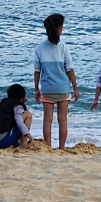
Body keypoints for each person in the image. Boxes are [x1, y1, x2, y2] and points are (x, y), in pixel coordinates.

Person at [34, 13, 79, 149]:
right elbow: (70, 70)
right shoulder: (64, 48)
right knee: (62, 120)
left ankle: (48, 146)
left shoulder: (39, 49)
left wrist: (36, 89)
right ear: (59, 29)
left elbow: (37, 71)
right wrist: (75, 88)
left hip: (47, 90)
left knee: (47, 120)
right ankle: (61, 147)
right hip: (63, 89)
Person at [0, 83, 34, 149]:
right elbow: (19, 121)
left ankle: (13, 144)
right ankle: (24, 144)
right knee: (28, 114)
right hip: (3, 140)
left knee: (10, 122)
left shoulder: (2, 103)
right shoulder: (17, 105)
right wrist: (30, 137)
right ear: (22, 98)